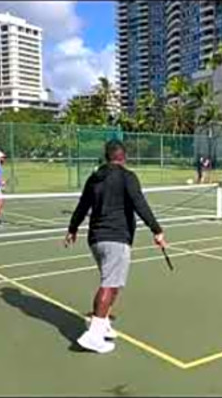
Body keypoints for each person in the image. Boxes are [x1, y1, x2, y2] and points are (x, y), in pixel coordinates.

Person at [64, 139, 168, 354]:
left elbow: (82, 206)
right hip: (116, 238)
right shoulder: (127, 177)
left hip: (96, 240)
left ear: (107, 156)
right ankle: (93, 335)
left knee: (115, 282)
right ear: (124, 157)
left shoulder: (95, 178)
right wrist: (157, 230)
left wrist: (72, 229)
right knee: (110, 284)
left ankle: (103, 325)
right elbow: (140, 204)